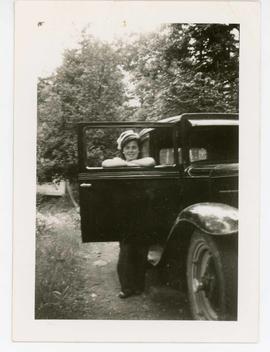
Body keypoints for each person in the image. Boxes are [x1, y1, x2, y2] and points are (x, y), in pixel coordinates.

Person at [102, 130, 156, 298]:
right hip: (125, 214)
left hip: (143, 212)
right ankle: (126, 288)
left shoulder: (144, 161)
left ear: (138, 149)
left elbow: (151, 161)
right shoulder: (117, 161)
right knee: (126, 250)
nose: (131, 150)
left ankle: (139, 287)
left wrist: (129, 164)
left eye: (134, 147)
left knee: (141, 250)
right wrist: (126, 164)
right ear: (123, 150)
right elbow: (105, 163)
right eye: (128, 148)